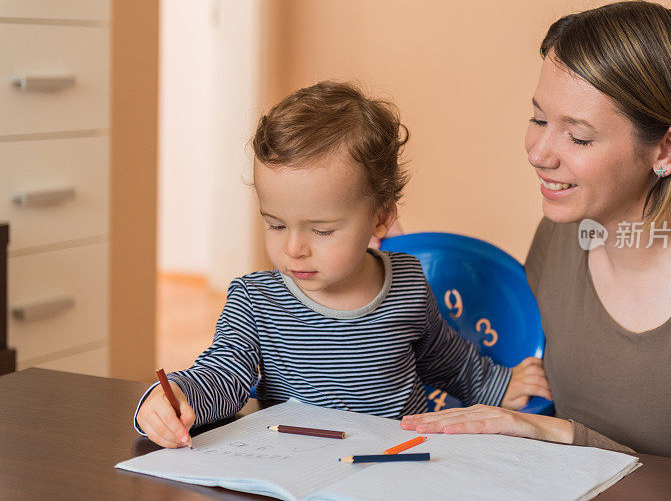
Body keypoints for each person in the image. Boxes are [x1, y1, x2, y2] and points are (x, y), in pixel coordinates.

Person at [400, 1, 671, 500]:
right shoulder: (563, 231)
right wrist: (372, 271)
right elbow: (517, 382)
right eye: (537, 117)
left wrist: (567, 437)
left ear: (666, 150)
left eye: (579, 137)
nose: (539, 152)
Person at [133, 81, 549, 449]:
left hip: (401, 465)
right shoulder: (255, 300)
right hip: (299, 470)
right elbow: (222, 375)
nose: (293, 248)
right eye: (275, 224)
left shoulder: (405, 281)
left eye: (322, 231)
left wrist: (501, 384)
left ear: (381, 218)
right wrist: (176, 398)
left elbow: (447, 359)